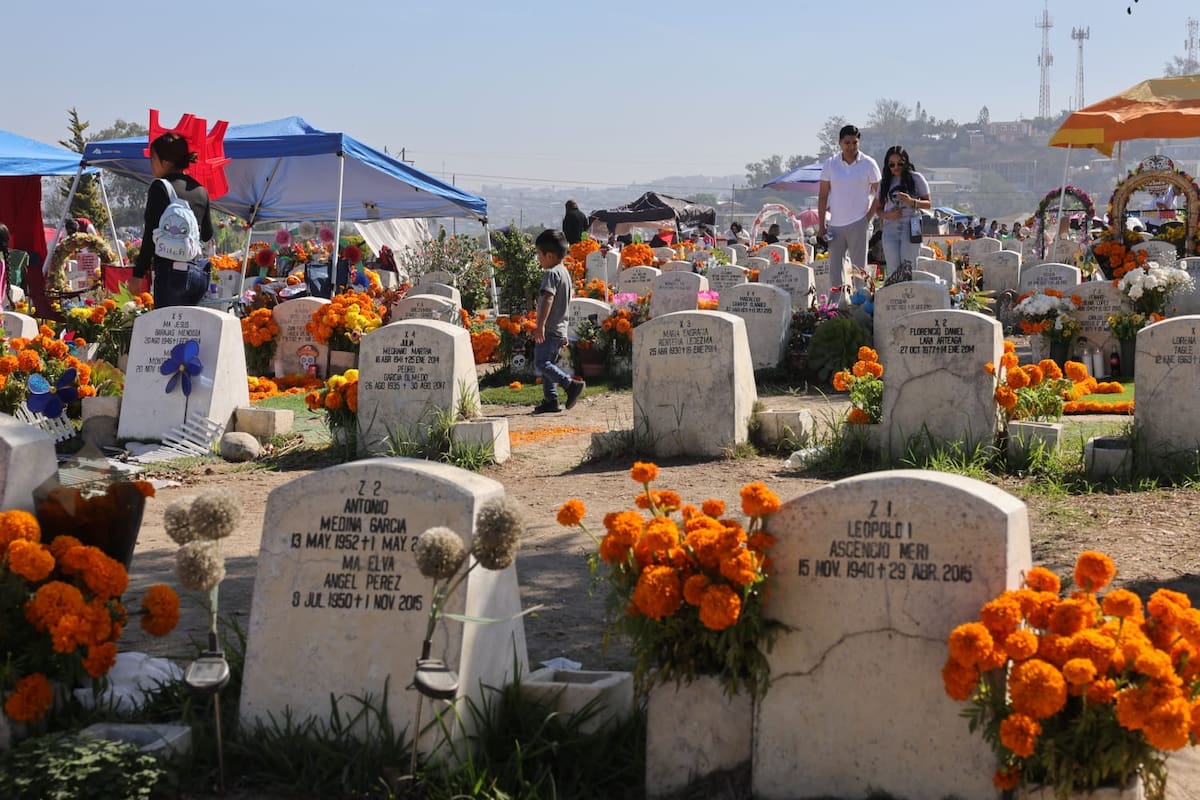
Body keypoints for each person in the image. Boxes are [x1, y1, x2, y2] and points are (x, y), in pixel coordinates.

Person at [132, 132, 215, 307]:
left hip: (170, 276)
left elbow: (150, 235)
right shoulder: (200, 190)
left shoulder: (160, 187)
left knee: (168, 330)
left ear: (167, 161)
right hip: (197, 275)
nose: (151, 164)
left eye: (153, 158)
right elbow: (207, 234)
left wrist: (138, 274)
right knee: (189, 330)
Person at [817, 124, 880, 291]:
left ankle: (860, 302)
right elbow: (823, 196)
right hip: (835, 225)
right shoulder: (831, 164)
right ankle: (835, 307)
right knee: (835, 271)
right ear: (839, 143)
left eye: (854, 142)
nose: (851, 147)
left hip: (859, 222)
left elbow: (880, 193)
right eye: (847, 142)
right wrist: (821, 226)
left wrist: (867, 218)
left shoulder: (868, 163)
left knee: (859, 269)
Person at [532, 229, 585, 415]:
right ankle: (551, 400)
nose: (538, 258)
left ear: (550, 255)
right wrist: (564, 330)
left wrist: (540, 326)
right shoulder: (565, 273)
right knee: (548, 364)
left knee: (542, 363)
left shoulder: (551, 273)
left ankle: (570, 385)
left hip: (550, 327)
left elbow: (548, 298)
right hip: (560, 327)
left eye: (539, 254)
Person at [870, 145, 931, 279]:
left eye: (900, 164)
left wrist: (912, 202)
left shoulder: (916, 178)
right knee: (893, 270)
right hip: (890, 228)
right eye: (892, 165)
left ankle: (910, 297)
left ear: (906, 163)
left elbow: (928, 204)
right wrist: (888, 215)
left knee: (908, 268)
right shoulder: (885, 182)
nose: (896, 167)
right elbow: (877, 209)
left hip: (912, 226)